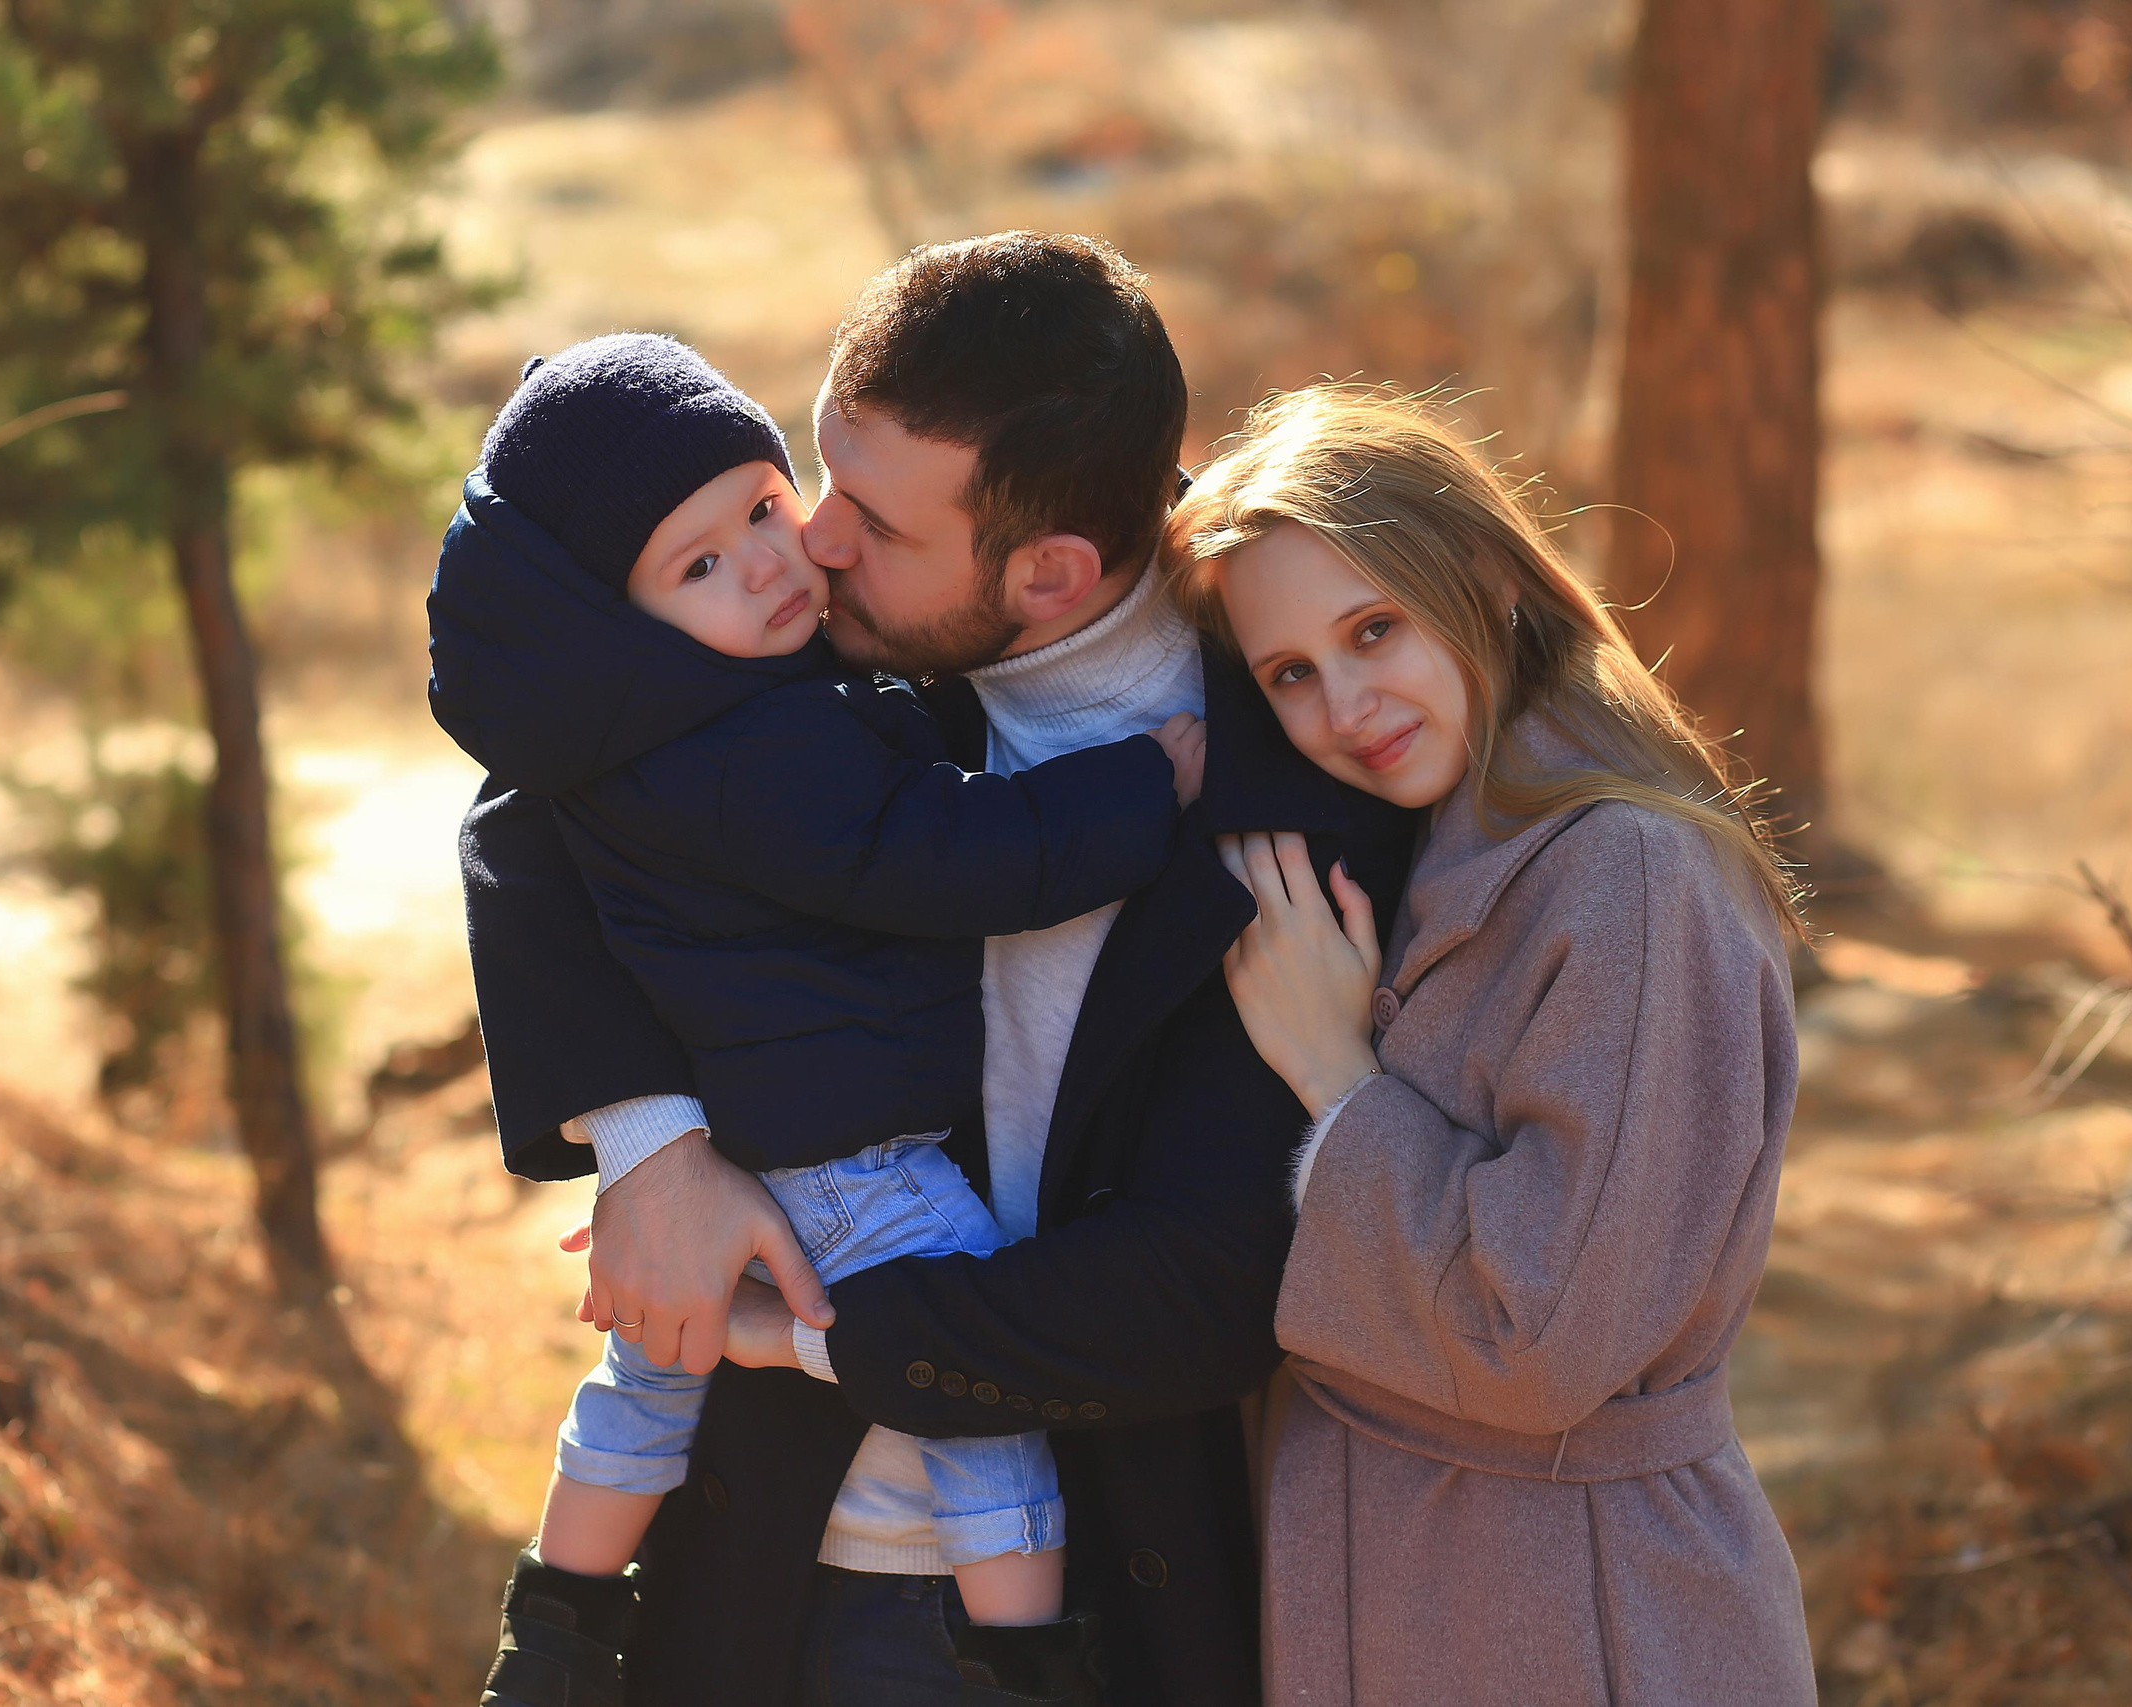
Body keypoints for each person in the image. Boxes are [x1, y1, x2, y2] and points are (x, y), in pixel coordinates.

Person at [431, 234, 1415, 1707]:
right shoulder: (823, 656)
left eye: (870, 523)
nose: (814, 540)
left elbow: (1212, 1285)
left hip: (1070, 1597)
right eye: (809, 479)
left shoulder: (1284, 814)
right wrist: (650, 1142)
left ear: (1050, 571)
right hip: (759, 1555)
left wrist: (833, 1337)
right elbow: (538, 795)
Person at [1159, 384, 1817, 1706]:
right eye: (1292, 672)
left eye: (1374, 629)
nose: (1347, 703)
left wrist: (1336, 1081)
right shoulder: (1441, 845)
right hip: (1407, 1587)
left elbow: (1544, 1340)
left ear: (1488, 578)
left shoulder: (1626, 876)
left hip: (1583, 1608)